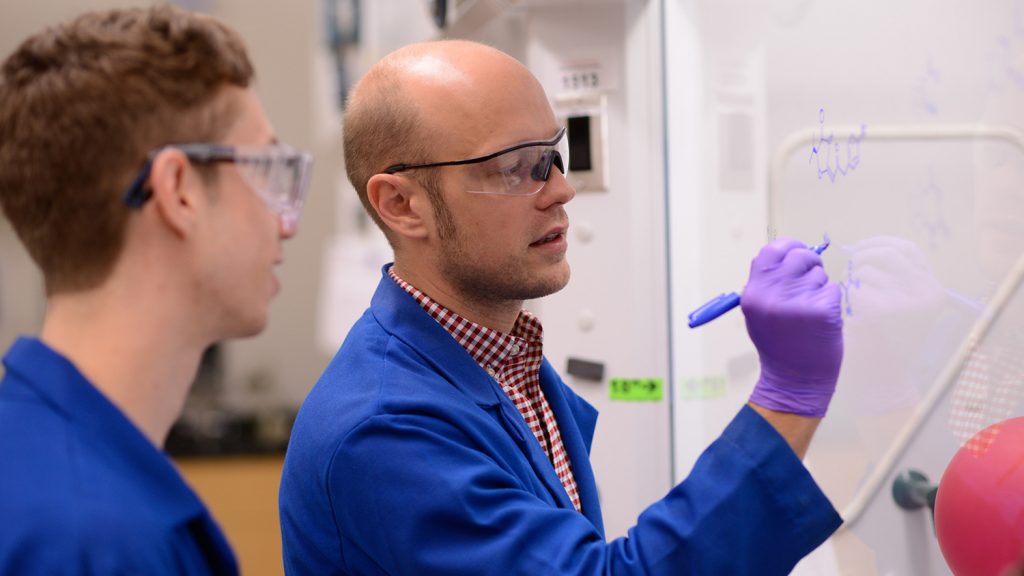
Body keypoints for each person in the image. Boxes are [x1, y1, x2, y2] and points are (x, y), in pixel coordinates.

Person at [279, 39, 843, 575]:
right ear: (401, 205)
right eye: (514, 167)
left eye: (554, 155)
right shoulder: (385, 431)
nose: (561, 191)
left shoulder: (500, 362)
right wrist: (788, 396)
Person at [0, 6, 312, 574]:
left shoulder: (34, 460)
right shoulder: (91, 541)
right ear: (178, 191)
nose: (285, 222)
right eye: (267, 170)